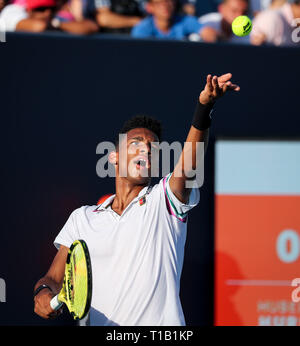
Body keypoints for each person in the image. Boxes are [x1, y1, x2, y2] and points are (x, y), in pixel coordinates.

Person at [33, 72, 240, 326]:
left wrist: (204, 107)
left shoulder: (163, 201)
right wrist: (43, 293)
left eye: (152, 148)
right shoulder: (81, 218)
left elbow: (187, 168)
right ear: (114, 157)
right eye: (136, 143)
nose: (145, 149)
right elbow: (52, 278)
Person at [0, 0, 98, 34]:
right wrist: (55, 25)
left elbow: (91, 27)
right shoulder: (11, 11)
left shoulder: (55, 20)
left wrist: (57, 24)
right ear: (29, 9)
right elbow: (39, 27)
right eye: (41, 9)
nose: (47, 13)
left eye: (51, 8)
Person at [131, 0, 202, 40]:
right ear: (150, 7)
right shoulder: (142, 29)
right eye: (159, 3)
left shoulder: (186, 20)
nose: (165, 6)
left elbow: (206, 32)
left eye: (168, 1)